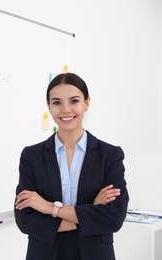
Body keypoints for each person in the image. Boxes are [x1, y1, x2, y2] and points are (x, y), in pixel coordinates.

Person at [14, 73, 129, 260]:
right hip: (44, 254)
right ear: (49, 106)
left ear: (87, 103)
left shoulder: (109, 155)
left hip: (95, 254)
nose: (66, 110)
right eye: (57, 102)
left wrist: (48, 207)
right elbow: (25, 220)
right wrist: (90, 211)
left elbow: (113, 218)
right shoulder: (31, 156)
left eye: (74, 101)